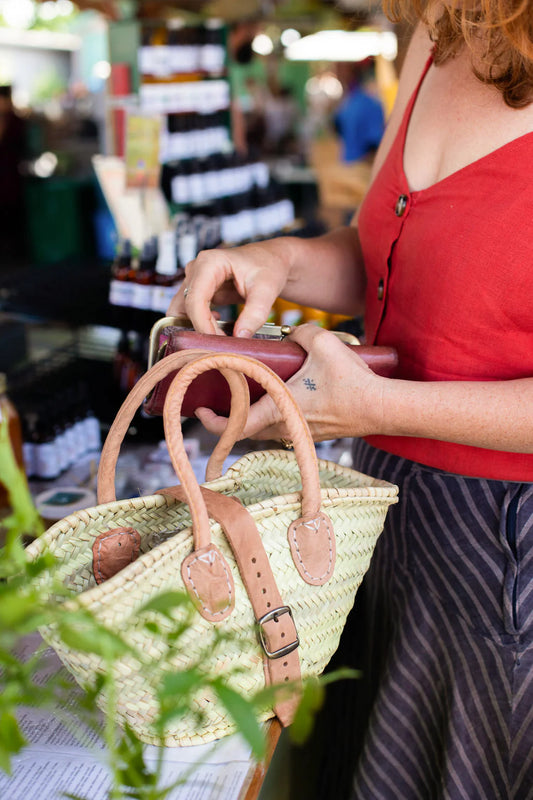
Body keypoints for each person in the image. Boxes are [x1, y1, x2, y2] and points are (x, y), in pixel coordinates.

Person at [168, 0, 533, 796]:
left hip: (508, 554)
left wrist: (386, 409)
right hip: (381, 514)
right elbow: (394, 255)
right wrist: (280, 259)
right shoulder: (437, 31)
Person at [334, 59, 385, 163]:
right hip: (350, 165)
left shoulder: (368, 103)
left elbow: (375, 141)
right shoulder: (347, 101)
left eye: (342, 68)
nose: (338, 73)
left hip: (363, 167)